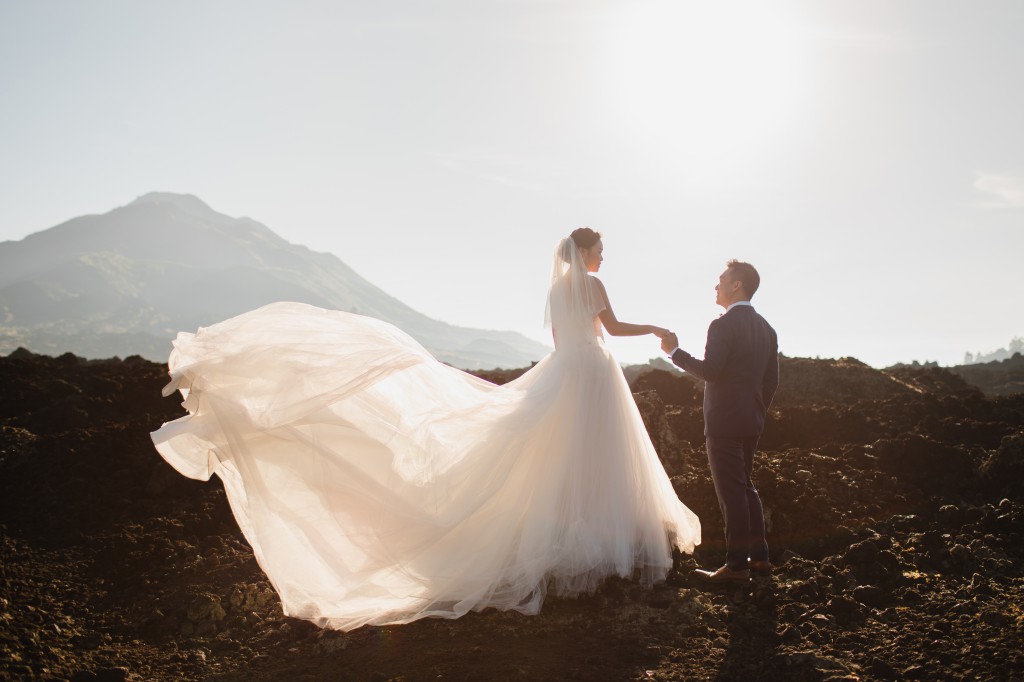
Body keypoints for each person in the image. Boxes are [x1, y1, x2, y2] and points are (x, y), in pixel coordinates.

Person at [151, 227, 700, 630]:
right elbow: (615, 328)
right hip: (595, 372)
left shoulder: (557, 291)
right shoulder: (594, 288)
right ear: (584, 253)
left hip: (566, 370)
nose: (603, 257)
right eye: (600, 250)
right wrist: (655, 327)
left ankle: (569, 539)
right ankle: (606, 542)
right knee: (600, 454)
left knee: (559, 455)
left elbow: (560, 342)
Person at [660, 260, 778, 583]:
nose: (716, 286)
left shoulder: (722, 325)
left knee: (731, 493)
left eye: (721, 280)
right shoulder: (767, 330)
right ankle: (760, 558)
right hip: (751, 421)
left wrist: (675, 352)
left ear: (736, 285)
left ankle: (737, 565)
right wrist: (757, 410)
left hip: (724, 421)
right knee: (746, 487)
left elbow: (710, 371)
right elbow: (772, 382)